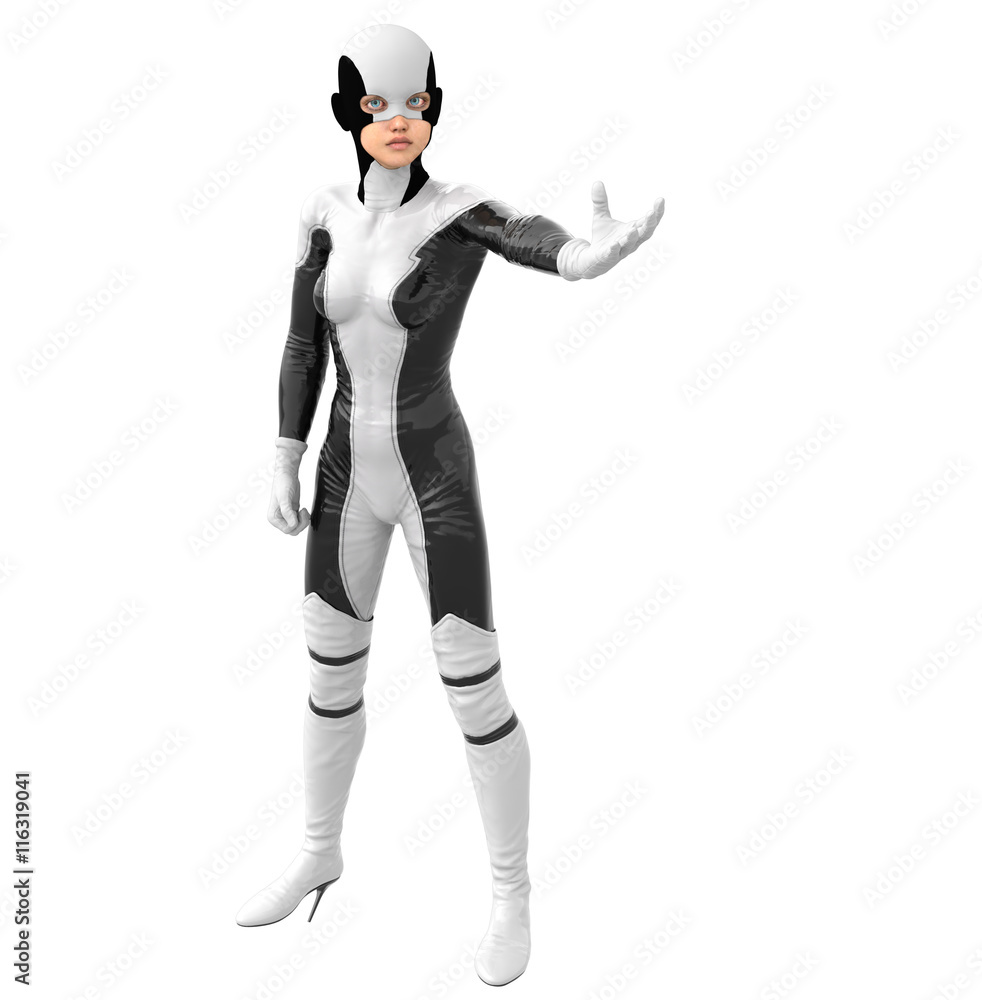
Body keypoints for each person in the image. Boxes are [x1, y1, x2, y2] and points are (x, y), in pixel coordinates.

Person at [235, 23, 663, 987]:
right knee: (328, 672)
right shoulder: (322, 212)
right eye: (378, 103)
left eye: (416, 101)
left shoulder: (459, 212)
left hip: (433, 474)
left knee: (473, 687)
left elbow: (527, 235)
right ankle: (318, 851)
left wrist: (581, 256)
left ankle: (512, 894)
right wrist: (283, 459)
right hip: (343, 473)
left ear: (434, 108)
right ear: (348, 111)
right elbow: (301, 342)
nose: (399, 119)